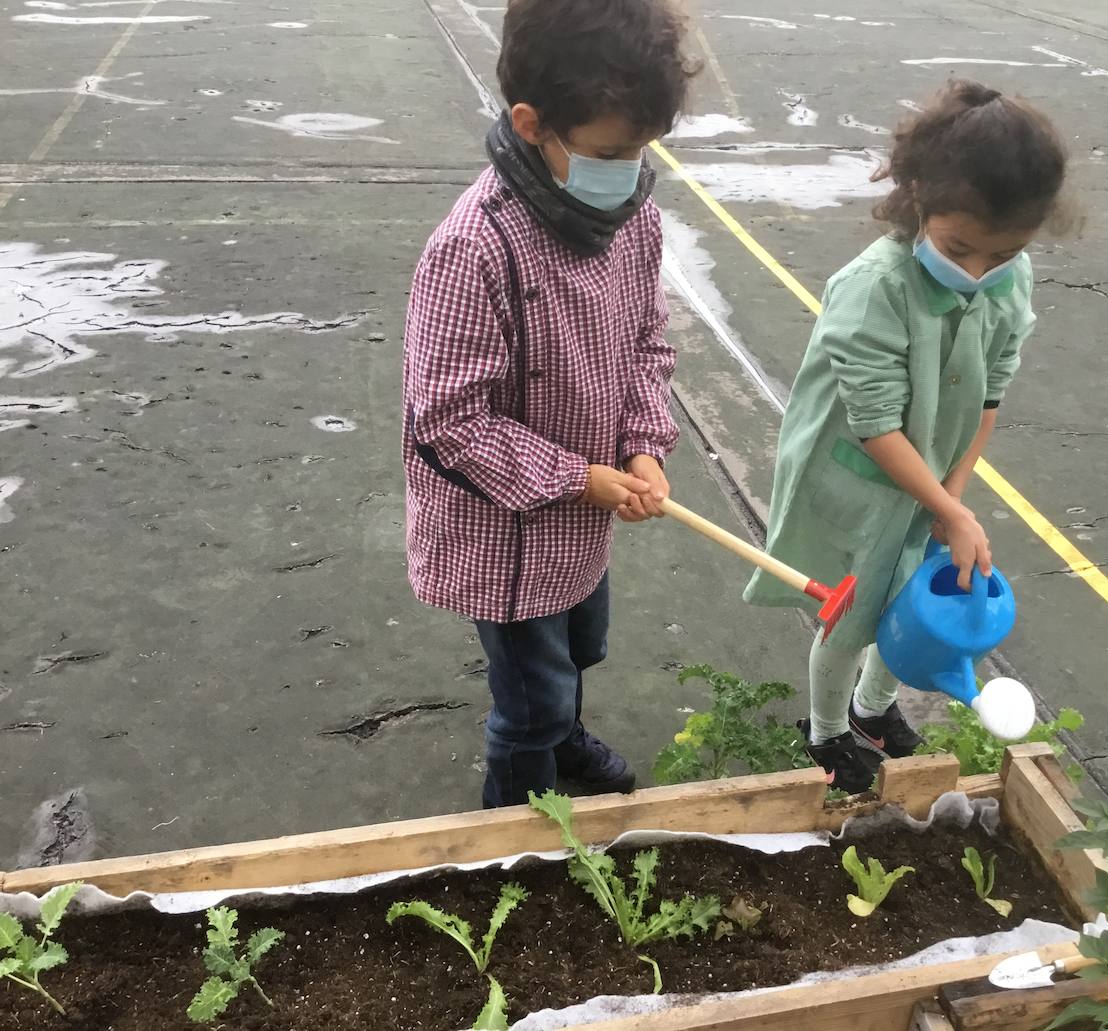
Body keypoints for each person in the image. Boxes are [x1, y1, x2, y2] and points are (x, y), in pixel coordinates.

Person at [402, 0, 697, 808]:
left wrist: (642, 444)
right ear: (532, 125)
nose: (631, 168)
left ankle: (562, 735)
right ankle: (517, 835)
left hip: (585, 507)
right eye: (610, 151)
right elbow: (449, 421)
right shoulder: (474, 248)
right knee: (528, 700)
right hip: (506, 531)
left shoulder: (629, 214)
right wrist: (582, 479)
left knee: (579, 649)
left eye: (642, 149)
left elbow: (646, 337)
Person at [744, 80, 1070, 793]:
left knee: (916, 601)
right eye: (960, 248)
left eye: (1002, 254)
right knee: (852, 610)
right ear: (918, 193)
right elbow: (873, 426)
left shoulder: (1009, 281)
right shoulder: (875, 287)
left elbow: (991, 389)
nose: (977, 273)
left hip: (933, 470)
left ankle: (874, 708)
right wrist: (950, 510)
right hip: (859, 475)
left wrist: (951, 492)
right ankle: (827, 729)